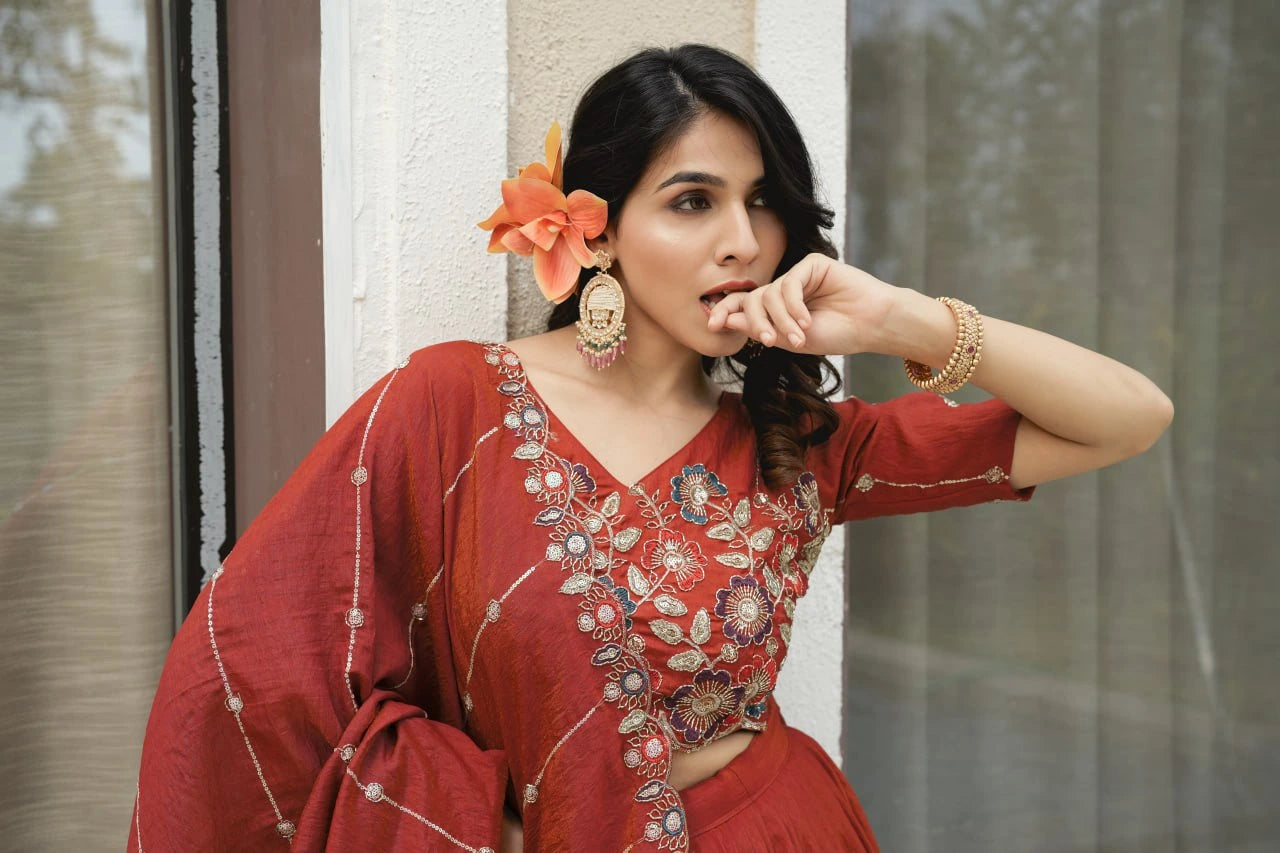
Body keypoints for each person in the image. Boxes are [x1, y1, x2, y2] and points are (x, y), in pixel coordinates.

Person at [128, 44, 1173, 852]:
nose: (743, 241)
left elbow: (1128, 416)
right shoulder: (449, 405)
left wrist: (905, 320)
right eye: (692, 201)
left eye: (762, 203)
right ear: (598, 227)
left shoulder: (801, 445)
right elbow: (252, 667)